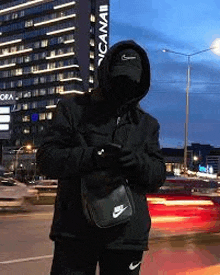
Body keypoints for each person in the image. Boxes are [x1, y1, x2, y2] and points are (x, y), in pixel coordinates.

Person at [36, 40, 166, 275]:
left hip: (127, 235)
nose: (124, 86)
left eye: (131, 81)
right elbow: (47, 159)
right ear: (106, 74)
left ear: (141, 82)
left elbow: (157, 175)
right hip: (76, 231)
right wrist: (93, 156)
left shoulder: (147, 125)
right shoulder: (72, 110)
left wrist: (135, 162)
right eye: (119, 78)